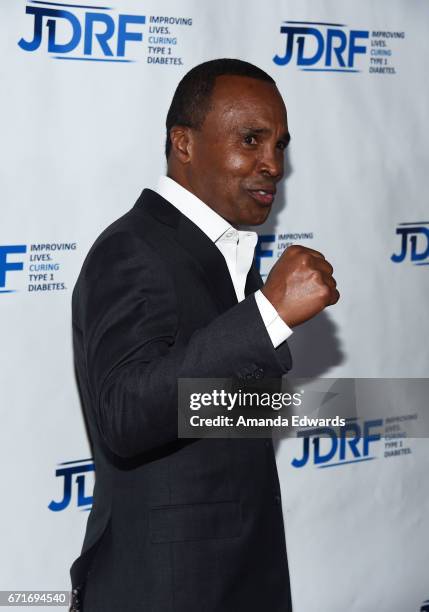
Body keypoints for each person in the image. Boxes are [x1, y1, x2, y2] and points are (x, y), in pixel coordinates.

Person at [70, 58, 339, 612]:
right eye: (251, 140)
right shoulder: (132, 249)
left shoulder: (227, 252)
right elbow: (123, 414)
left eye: (281, 145)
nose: (273, 165)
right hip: (166, 589)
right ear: (183, 144)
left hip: (238, 578)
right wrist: (268, 312)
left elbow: (212, 414)